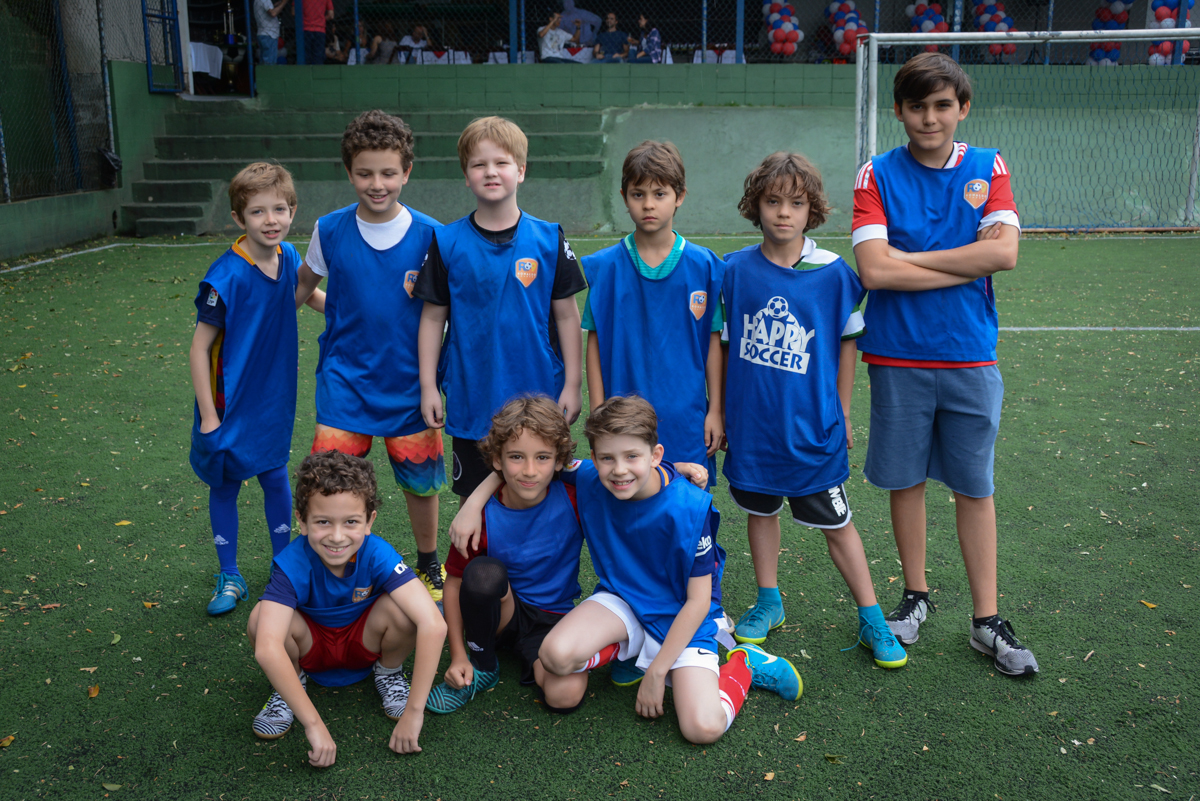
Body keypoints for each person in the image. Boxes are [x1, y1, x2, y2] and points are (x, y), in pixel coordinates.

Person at [851, 52, 1037, 677]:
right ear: (899, 110)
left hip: (968, 353)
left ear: (961, 108)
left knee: (973, 485)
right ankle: (916, 596)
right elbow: (873, 271)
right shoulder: (875, 173)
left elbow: (1005, 254)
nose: (929, 117)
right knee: (905, 481)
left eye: (941, 105)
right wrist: (964, 258)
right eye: (916, 106)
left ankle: (986, 619)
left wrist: (915, 261)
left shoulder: (989, 166)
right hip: (897, 357)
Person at [720, 152, 907, 670]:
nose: (783, 212)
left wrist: (843, 411)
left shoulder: (834, 274)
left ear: (812, 210)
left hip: (811, 429)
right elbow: (720, 344)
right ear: (755, 205)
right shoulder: (733, 271)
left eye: (796, 203)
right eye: (772, 201)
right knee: (760, 513)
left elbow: (848, 343)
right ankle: (768, 600)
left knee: (838, 525)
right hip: (753, 427)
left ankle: (871, 618)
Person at [530, 397, 802, 742]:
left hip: (681, 615)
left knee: (703, 728)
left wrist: (657, 674)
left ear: (655, 455)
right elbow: (535, 466)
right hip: (624, 600)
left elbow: (698, 602)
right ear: (595, 457)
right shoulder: (588, 476)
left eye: (632, 457)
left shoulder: (689, 506)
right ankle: (628, 650)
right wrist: (473, 504)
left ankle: (743, 664)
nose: (619, 470)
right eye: (606, 458)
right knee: (553, 658)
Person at [293, 110, 449, 604]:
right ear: (349, 173)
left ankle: (428, 562)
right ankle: (320, 568)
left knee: (422, 485)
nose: (376, 184)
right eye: (364, 173)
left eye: (387, 173)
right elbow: (303, 289)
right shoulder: (330, 230)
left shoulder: (431, 235)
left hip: (410, 386)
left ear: (406, 171)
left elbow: (445, 311)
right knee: (328, 483)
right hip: (345, 387)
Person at [414, 116, 586, 504]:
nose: (490, 172)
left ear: (521, 171)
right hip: (474, 394)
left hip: (539, 392)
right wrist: (428, 385)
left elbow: (567, 316)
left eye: (502, 163)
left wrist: (573, 384)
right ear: (466, 175)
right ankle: (477, 567)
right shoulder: (446, 241)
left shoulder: (548, 238)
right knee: (474, 501)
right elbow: (432, 317)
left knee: (540, 495)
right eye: (479, 164)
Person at [246, 451, 447, 766]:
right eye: (323, 521)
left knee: (406, 609)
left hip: (363, 643)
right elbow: (267, 646)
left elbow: (434, 624)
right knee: (262, 621)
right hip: (311, 648)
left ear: (369, 521)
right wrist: (313, 725)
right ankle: (290, 685)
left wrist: (414, 712)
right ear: (301, 520)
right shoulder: (292, 562)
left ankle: (390, 673)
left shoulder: (378, 553)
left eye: (351, 522)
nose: (337, 537)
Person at [188, 162, 324, 616]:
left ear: (293, 211)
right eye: (258, 212)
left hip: (272, 396)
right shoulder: (225, 275)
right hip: (228, 401)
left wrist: (357, 309)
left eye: (280, 210)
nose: (271, 220)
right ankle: (230, 574)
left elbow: (308, 297)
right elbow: (199, 348)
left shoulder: (289, 258)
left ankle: (283, 566)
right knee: (226, 484)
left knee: (273, 476)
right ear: (238, 218)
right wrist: (209, 414)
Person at [425, 396, 583, 713]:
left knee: (564, 695)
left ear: (558, 460)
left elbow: (621, 471)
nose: (529, 470)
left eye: (542, 457)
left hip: (552, 618)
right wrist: (457, 655)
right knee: (482, 574)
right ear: (497, 460)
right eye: (516, 457)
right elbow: (453, 583)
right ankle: (482, 664)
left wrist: (672, 470)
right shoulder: (479, 516)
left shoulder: (577, 496)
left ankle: (526, 652)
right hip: (501, 612)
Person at [581, 141, 724, 482]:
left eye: (659, 194)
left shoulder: (704, 266)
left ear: (680, 196)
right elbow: (595, 344)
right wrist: (598, 414)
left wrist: (715, 409)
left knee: (686, 513)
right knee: (626, 509)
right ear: (623, 196)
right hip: (620, 422)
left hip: (686, 419)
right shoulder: (605, 268)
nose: (648, 204)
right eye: (638, 194)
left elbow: (714, 344)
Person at [291, 0, 333, 64]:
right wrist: (321, 19)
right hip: (320, 29)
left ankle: (304, 72)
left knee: (304, 56)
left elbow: (294, 12)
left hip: (305, 28)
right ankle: (317, 73)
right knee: (318, 57)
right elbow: (331, 15)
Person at [253, 0, 288, 65]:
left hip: (264, 33)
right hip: (269, 34)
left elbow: (268, 8)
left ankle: (264, 74)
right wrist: (284, 2)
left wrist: (278, 4)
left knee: (264, 62)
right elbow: (273, 13)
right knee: (269, 63)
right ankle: (268, 74)